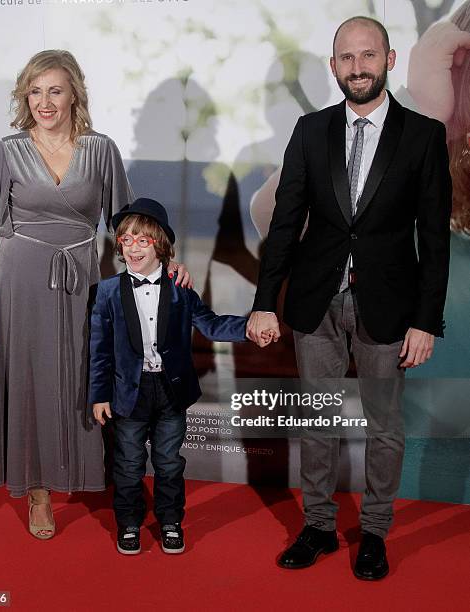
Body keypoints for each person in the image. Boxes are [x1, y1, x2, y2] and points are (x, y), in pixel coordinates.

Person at [247, 16, 452, 579]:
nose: (357, 68)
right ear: (334, 65)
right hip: (317, 302)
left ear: (389, 57)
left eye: (367, 56)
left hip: (390, 307)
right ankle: (317, 525)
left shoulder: (423, 135)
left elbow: (434, 240)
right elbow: (285, 223)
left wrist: (427, 321)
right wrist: (266, 301)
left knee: (384, 424)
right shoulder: (310, 131)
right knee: (318, 419)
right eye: (346, 58)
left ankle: (375, 532)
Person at [0, 50, 190, 540]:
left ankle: (90, 471)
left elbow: (129, 225)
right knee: (30, 379)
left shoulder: (101, 150)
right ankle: (38, 492)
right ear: (25, 96)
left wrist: (167, 263)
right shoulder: (7, 150)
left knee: (84, 375)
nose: (44, 101)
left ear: (74, 94)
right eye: (35, 91)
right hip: (22, 279)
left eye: (55, 90)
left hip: (83, 277)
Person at [89, 197, 268, 554]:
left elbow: (212, 324)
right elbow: (100, 349)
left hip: (171, 391)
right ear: (119, 246)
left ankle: (170, 521)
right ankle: (128, 524)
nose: (134, 247)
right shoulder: (107, 292)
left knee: (169, 462)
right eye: (127, 239)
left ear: (161, 245)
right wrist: (98, 394)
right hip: (129, 392)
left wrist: (248, 328)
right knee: (127, 465)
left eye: (143, 240)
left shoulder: (180, 288)